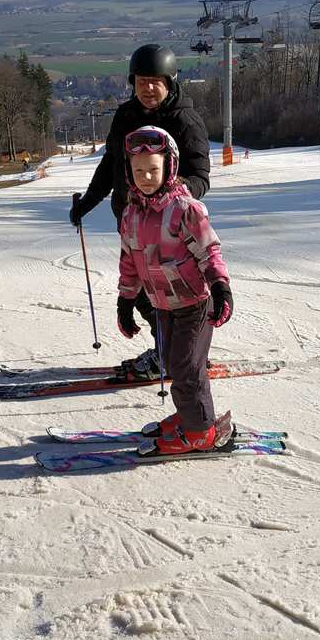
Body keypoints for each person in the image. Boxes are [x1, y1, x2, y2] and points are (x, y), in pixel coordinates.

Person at [69, 44, 211, 378]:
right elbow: (111, 164)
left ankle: (176, 355)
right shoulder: (125, 116)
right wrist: (89, 201)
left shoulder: (184, 120)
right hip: (132, 223)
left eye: (156, 82)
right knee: (142, 294)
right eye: (141, 81)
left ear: (170, 82)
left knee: (170, 296)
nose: (148, 88)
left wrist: (172, 198)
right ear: (133, 82)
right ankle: (172, 352)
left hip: (171, 229)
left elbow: (200, 178)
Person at [117, 127, 233, 456]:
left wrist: (220, 287)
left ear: (169, 167)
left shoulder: (185, 209)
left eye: (153, 169)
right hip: (163, 304)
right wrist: (125, 300)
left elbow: (209, 252)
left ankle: (200, 431)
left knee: (186, 365)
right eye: (138, 170)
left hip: (195, 302)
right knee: (170, 361)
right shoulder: (131, 214)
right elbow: (129, 261)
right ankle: (188, 414)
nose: (146, 177)